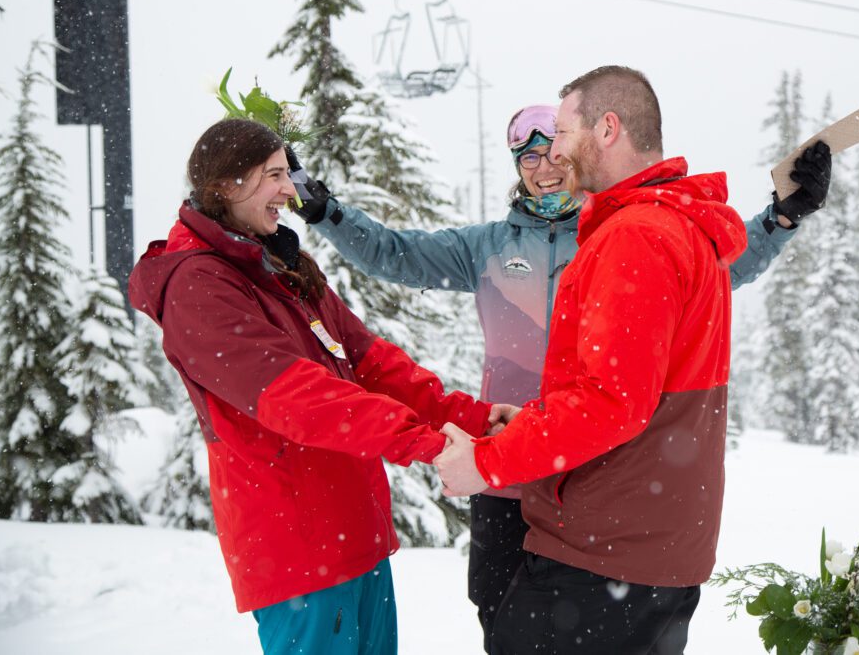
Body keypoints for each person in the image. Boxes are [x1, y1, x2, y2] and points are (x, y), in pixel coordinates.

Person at [285, 93, 829, 650]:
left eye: (553, 155)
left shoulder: (618, 236)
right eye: (528, 159)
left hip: (588, 481)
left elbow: (721, 261)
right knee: (504, 626)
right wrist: (323, 210)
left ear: (576, 156)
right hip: (503, 472)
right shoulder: (488, 247)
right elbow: (392, 252)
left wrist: (782, 217)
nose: (543, 170)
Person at [433, 65, 832, 655]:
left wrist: (487, 463)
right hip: (651, 550)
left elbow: (611, 403)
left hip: (601, 547)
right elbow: (638, 388)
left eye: (563, 133)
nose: (555, 154)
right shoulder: (683, 226)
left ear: (608, 129)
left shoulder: (635, 236)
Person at [127, 119, 492, 655]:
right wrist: (430, 446)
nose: (288, 190)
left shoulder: (281, 264)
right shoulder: (199, 285)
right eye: (274, 175)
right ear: (227, 185)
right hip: (297, 547)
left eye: (286, 174)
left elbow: (372, 364)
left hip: (353, 532)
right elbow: (298, 398)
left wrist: (474, 419)